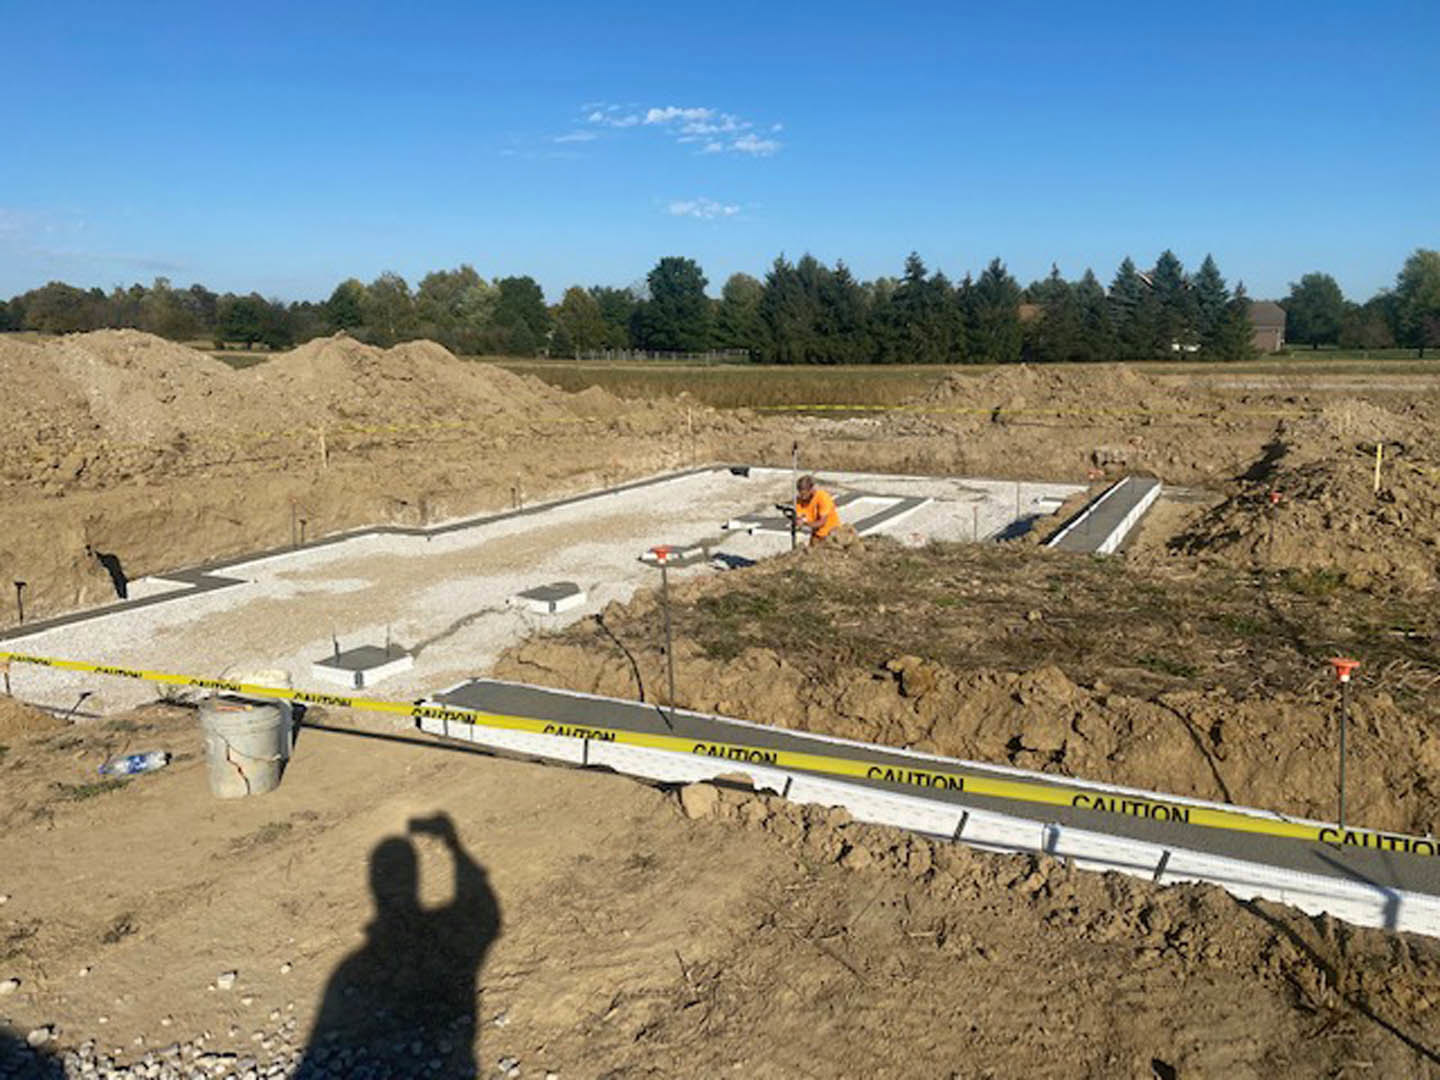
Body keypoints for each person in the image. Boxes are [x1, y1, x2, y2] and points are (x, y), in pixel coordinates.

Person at [794, 474, 841, 547]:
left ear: (812, 489)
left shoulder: (823, 498)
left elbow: (821, 522)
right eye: (800, 494)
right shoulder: (799, 500)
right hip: (816, 535)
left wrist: (804, 523)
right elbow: (799, 517)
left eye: (804, 494)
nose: (802, 497)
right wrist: (797, 521)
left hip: (831, 535)